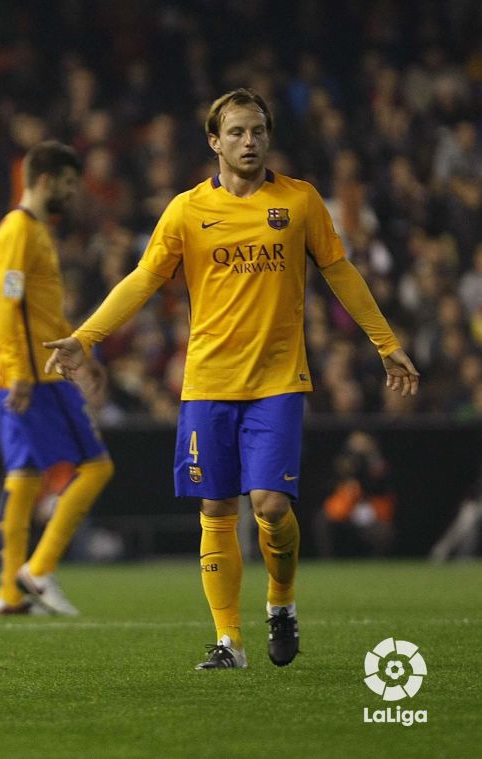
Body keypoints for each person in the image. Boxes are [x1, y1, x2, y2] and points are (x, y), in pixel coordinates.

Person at [45, 89, 419, 668]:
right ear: (214, 141)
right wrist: (86, 336)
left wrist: (386, 343)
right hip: (208, 384)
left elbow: (340, 272)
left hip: (277, 382)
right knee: (217, 510)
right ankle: (229, 642)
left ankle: (282, 603)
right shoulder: (187, 209)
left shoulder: (299, 202)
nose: (251, 142)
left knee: (269, 505)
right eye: (239, 132)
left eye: (259, 131)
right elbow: (143, 279)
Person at [0, 140, 114, 616]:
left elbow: (38, 308)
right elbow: (6, 302)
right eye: (67, 183)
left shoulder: (32, 230)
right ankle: (39, 568)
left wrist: (82, 350)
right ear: (45, 181)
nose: (72, 192)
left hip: (23, 368)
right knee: (96, 466)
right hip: (33, 374)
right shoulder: (19, 230)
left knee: (24, 475)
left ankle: (9, 591)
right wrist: (22, 371)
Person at [316, 431, 396, 557]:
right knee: (322, 520)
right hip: (345, 510)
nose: (360, 447)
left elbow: (381, 487)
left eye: (363, 443)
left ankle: (376, 567)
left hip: (370, 512)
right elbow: (328, 488)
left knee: (384, 532)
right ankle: (328, 561)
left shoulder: (378, 464)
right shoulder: (342, 463)